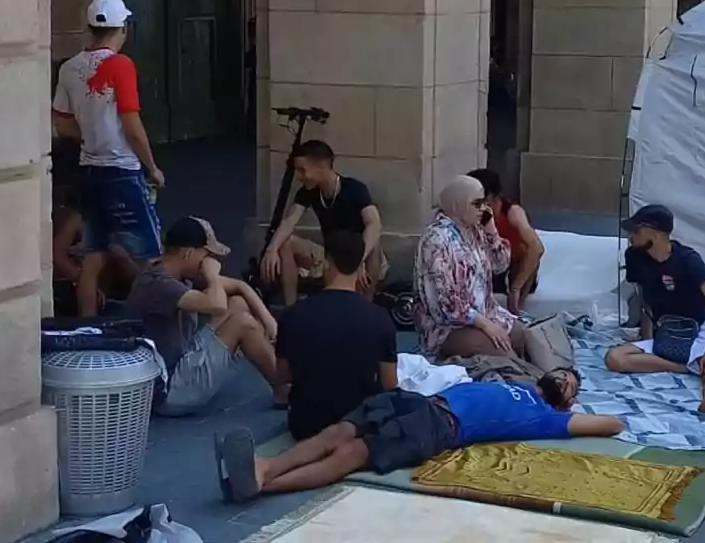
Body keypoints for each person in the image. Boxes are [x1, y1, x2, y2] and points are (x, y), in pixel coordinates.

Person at [212, 368, 623, 502]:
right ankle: (263, 467)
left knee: (352, 452)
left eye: (570, 384)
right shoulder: (511, 381)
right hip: (420, 401)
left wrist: (570, 408)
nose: (563, 379)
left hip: (442, 427)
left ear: (567, 402)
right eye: (563, 373)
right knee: (339, 429)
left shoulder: (543, 416)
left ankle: (261, 487)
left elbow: (612, 425)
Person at [52, 0, 165, 318]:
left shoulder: (70, 68)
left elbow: (61, 122)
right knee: (151, 257)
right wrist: (152, 166)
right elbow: (131, 122)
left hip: (90, 170)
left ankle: (89, 328)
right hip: (123, 171)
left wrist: (90, 133)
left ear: (90, 28)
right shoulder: (120, 65)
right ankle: (155, 328)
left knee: (92, 256)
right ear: (123, 28)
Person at [127, 216, 288, 414]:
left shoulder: (176, 272)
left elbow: (240, 286)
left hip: (182, 360)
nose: (208, 263)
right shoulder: (157, 284)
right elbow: (217, 305)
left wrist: (270, 322)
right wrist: (212, 276)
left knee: (237, 303)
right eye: (205, 257)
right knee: (243, 323)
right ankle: (284, 389)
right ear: (188, 253)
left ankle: (279, 376)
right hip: (169, 388)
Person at [602, 204, 705, 413]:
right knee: (615, 358)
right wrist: (645, 335)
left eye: (636, 231)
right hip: (668, 331)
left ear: (655, 234)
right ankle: (687, 368)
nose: (630, 236)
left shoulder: (688, 260)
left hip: (699, 326)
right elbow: (644, 299)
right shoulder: (635, 257)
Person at [276, 230, 399, 442]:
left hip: (306, 425)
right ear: (361, 266)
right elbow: (390, 384)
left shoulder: (294, 315)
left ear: (326, 262)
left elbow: (282, 375)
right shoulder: (379, 318)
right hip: (359, 425)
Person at [259, 140, 387, 306]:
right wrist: (272, 249)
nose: (299, 177)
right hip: (330, 256)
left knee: (374, 243)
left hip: (361, 254)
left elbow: (374, 224)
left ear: (320, 166)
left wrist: (357, 259)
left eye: (302, 170)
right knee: (286, 243)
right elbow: (289, 220)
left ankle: (365, 305)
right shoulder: (309, 192)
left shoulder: (354, 188)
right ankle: (291, 307)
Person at [414, 175, 526, 360]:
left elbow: (500, 265)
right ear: (458, 204)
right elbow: (446, 304)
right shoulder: (436, 240)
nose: (484, 209)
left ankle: (548, 381)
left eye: (484, 203)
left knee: (522, 336)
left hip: (482, 315)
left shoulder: (474, 230)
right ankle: (533, 386)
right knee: (504, 354)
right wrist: (485, 324)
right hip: (448, 327)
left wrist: (492, 231)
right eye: (477, 203)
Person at [467, 168, 545, 315]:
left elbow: (537, 248)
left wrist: (516, 288)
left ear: (492, 196)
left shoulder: (512, 213)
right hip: (491, 263)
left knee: (527, 254)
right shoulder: (473, 213)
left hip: (515, 263)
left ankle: (518, 304)